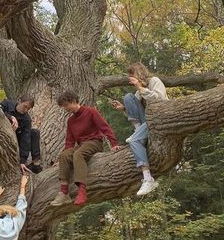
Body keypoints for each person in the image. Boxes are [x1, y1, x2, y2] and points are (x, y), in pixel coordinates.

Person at [50, 91, 122, 207]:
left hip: (94, 142)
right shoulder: (71, 121)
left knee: (78, 154)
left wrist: (114, 143)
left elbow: (105, 128)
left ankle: (82, 190)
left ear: (73, 101)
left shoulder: (90, 111)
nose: (65, 108)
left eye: (66, 105)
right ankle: (64, 192)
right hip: (81, 144)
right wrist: (62, 158)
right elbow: (69, 141)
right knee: (64, 155)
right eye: (63, 106)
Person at [110, 62, 168, 196]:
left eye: (132, 75)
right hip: (146, 122)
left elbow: (160, 100)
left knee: (133, 141)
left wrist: (141, 88)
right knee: (128, 98)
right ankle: (138, 132)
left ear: (139, 74)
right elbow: (135, 110)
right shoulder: (138, 91)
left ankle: (148, 178)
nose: (130, 79)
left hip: (159, 118)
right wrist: (123, 108)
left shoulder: (154, 81)